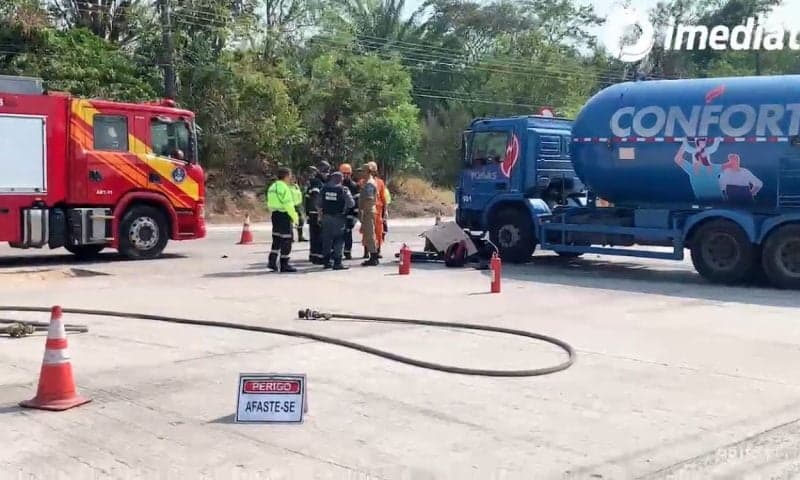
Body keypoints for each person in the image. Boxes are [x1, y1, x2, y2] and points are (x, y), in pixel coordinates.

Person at [319, 172, 355, 270]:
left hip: (326, 218)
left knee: (327, 239)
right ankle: (337, 262)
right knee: (339, 240)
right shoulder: (344, 190)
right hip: (339, 218)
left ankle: (326, 262)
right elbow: (351, 204)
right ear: (340, 179)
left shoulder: (324, 189)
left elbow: (318, 203)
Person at [266, 167, 299, 273]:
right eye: (289, 176)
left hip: (275, 214)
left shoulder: (273, 186)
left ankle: (272, 261)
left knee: (276, 239)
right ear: (286, 176)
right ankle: (284, 264)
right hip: (284, 215)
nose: (290, 178)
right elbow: (289, 204)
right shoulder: (284, 188)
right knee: (287, 240)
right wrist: (295, 217)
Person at [304, 162, 331, 264]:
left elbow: (307, 199)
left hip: (312, 212)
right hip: (316, 212)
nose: (327, 173)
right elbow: (316, 198)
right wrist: (320, 213)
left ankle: (314, 256)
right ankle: (318, 257)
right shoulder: (317, 182)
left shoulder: (314, 181)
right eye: (325, 171)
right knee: (319, 235)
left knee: (314, 235)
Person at [361, 161, 388, 259]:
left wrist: (385, 212)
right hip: (368, 210)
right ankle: (366, 251)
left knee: (378, 231)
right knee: (366, 231)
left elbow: (383, 198)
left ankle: (377, 250)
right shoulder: (362, 182)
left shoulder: (379, 182)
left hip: (377, 210)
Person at [358, 164, 380, 266]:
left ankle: (374, 257)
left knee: (370, 234)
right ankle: (373, 255)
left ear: (367, 171)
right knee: (367, 234)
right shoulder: (367, 183)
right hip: (367, 211)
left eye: (362, 171)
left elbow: (369, 198)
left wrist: (362, 211)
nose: (360, 173)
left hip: (368, 211)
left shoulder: (369, 184)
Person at [339, 163, 360, 260]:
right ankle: (337, 252)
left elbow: (356, 202)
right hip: (338, 214)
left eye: (348, 173)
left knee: (347, 233)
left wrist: (355, 217)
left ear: (350, 174)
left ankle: (347, 252)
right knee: (338, 234)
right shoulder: (337, 185)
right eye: (344, 173)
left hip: (349, 214)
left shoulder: (354, 186)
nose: (346, 175)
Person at [290, 173, 306, 242]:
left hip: (298, 205)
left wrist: (301, 204)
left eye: (294, 179)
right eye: (291, 179)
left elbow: (299, 195)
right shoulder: (286, 187)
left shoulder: (296, 186)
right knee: (290, 222)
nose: (293, 180)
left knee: (301, 221)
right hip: (290, 205)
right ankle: (291, 237)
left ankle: (300, 236)